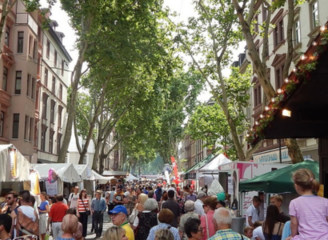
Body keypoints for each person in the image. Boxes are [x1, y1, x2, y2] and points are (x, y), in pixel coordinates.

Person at [289, 168, 328, 239]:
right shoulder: (325, 201)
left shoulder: (294, 203)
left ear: (296, 186)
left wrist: (293, 236)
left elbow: (294, 224)